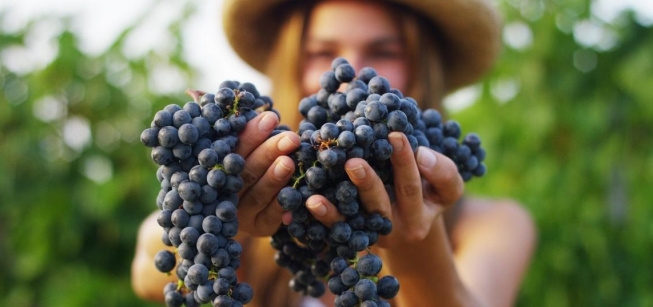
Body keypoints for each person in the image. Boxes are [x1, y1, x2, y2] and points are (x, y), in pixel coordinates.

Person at [131, 0, 536, 306]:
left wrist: (416, 240)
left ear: (420, 67)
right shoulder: (259, 189)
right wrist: (227, 216)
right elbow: (150, 262)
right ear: (290, 61)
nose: (351, 72)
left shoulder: (495, 224)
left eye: (383, 52)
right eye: (322, 53)